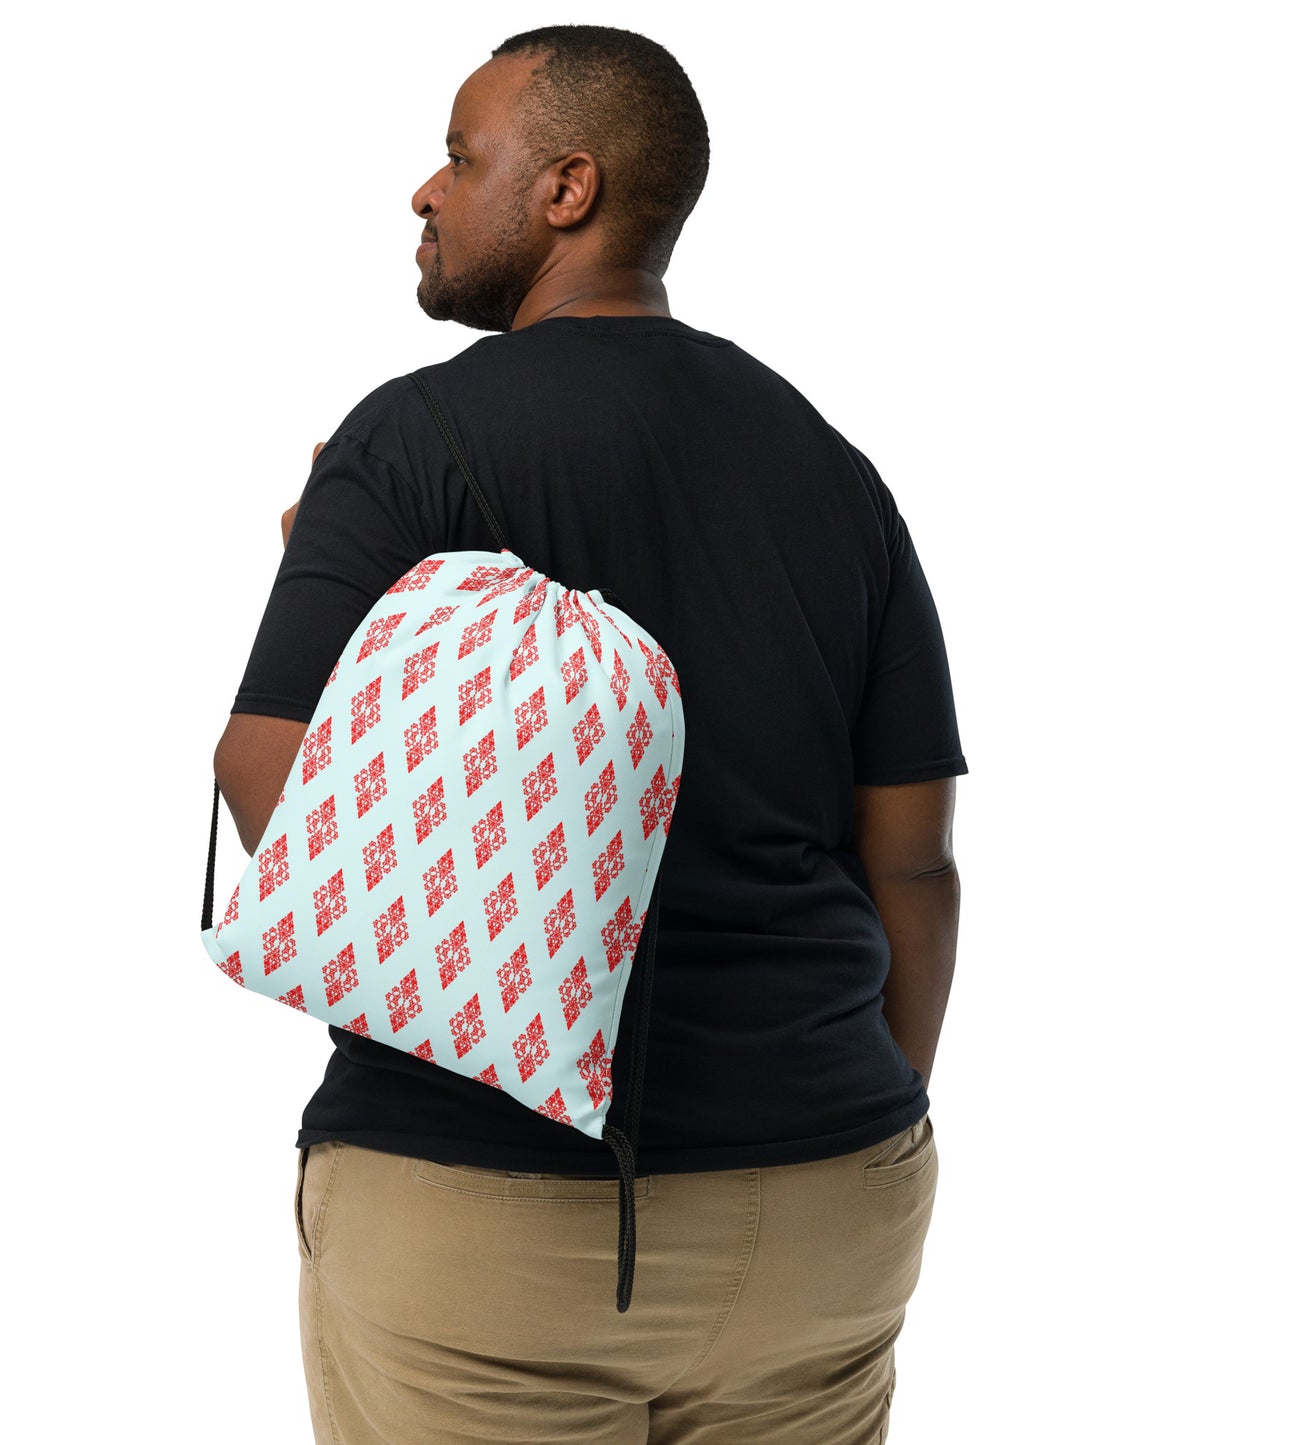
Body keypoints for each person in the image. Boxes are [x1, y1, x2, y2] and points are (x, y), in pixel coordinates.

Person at [212, 23, 965, 1445]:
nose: (423, 193)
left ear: (567, 189)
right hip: (823, 1211)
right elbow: (912, 863)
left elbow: (267, 774)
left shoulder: (416, 439)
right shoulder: (830, 467)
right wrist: (836, 1120)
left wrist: (331, 575)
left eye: (456, 155)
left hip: (487, 1222)